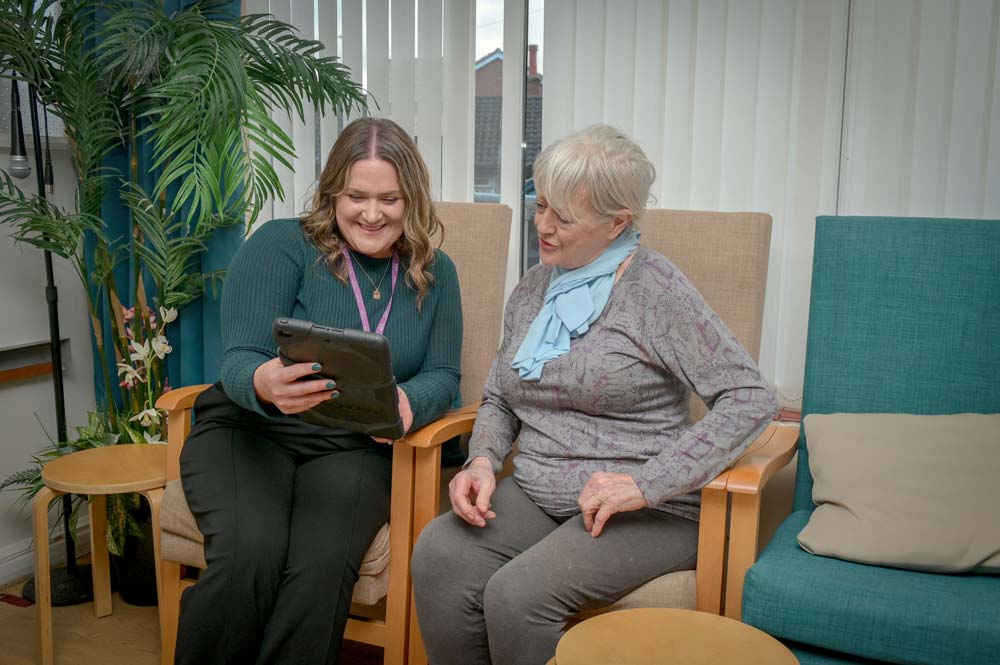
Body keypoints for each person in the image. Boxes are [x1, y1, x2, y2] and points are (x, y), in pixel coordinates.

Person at [411, 125, 778, 665]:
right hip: (538, 492)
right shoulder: (534, 289)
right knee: (438, 555)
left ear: (617, 223)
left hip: (647, 510)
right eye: (540, 206)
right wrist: (483, 460)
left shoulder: (656, 291)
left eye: (563, 217)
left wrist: (646, 482)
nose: (543, 225)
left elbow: (751, 398)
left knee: (516, 597)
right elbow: (499, 397)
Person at [176, 117, 462, 665]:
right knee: (249, 554)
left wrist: (409, 404)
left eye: (390, 199)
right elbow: (238, 358)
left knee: (322, 567)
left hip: (356, 445)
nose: (372, 214)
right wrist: (263, 382)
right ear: (332, 192)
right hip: (251, 432)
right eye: (356, 197)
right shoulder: (282, 245)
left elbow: (445, 374)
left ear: (413, 199)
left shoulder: (435, 273)